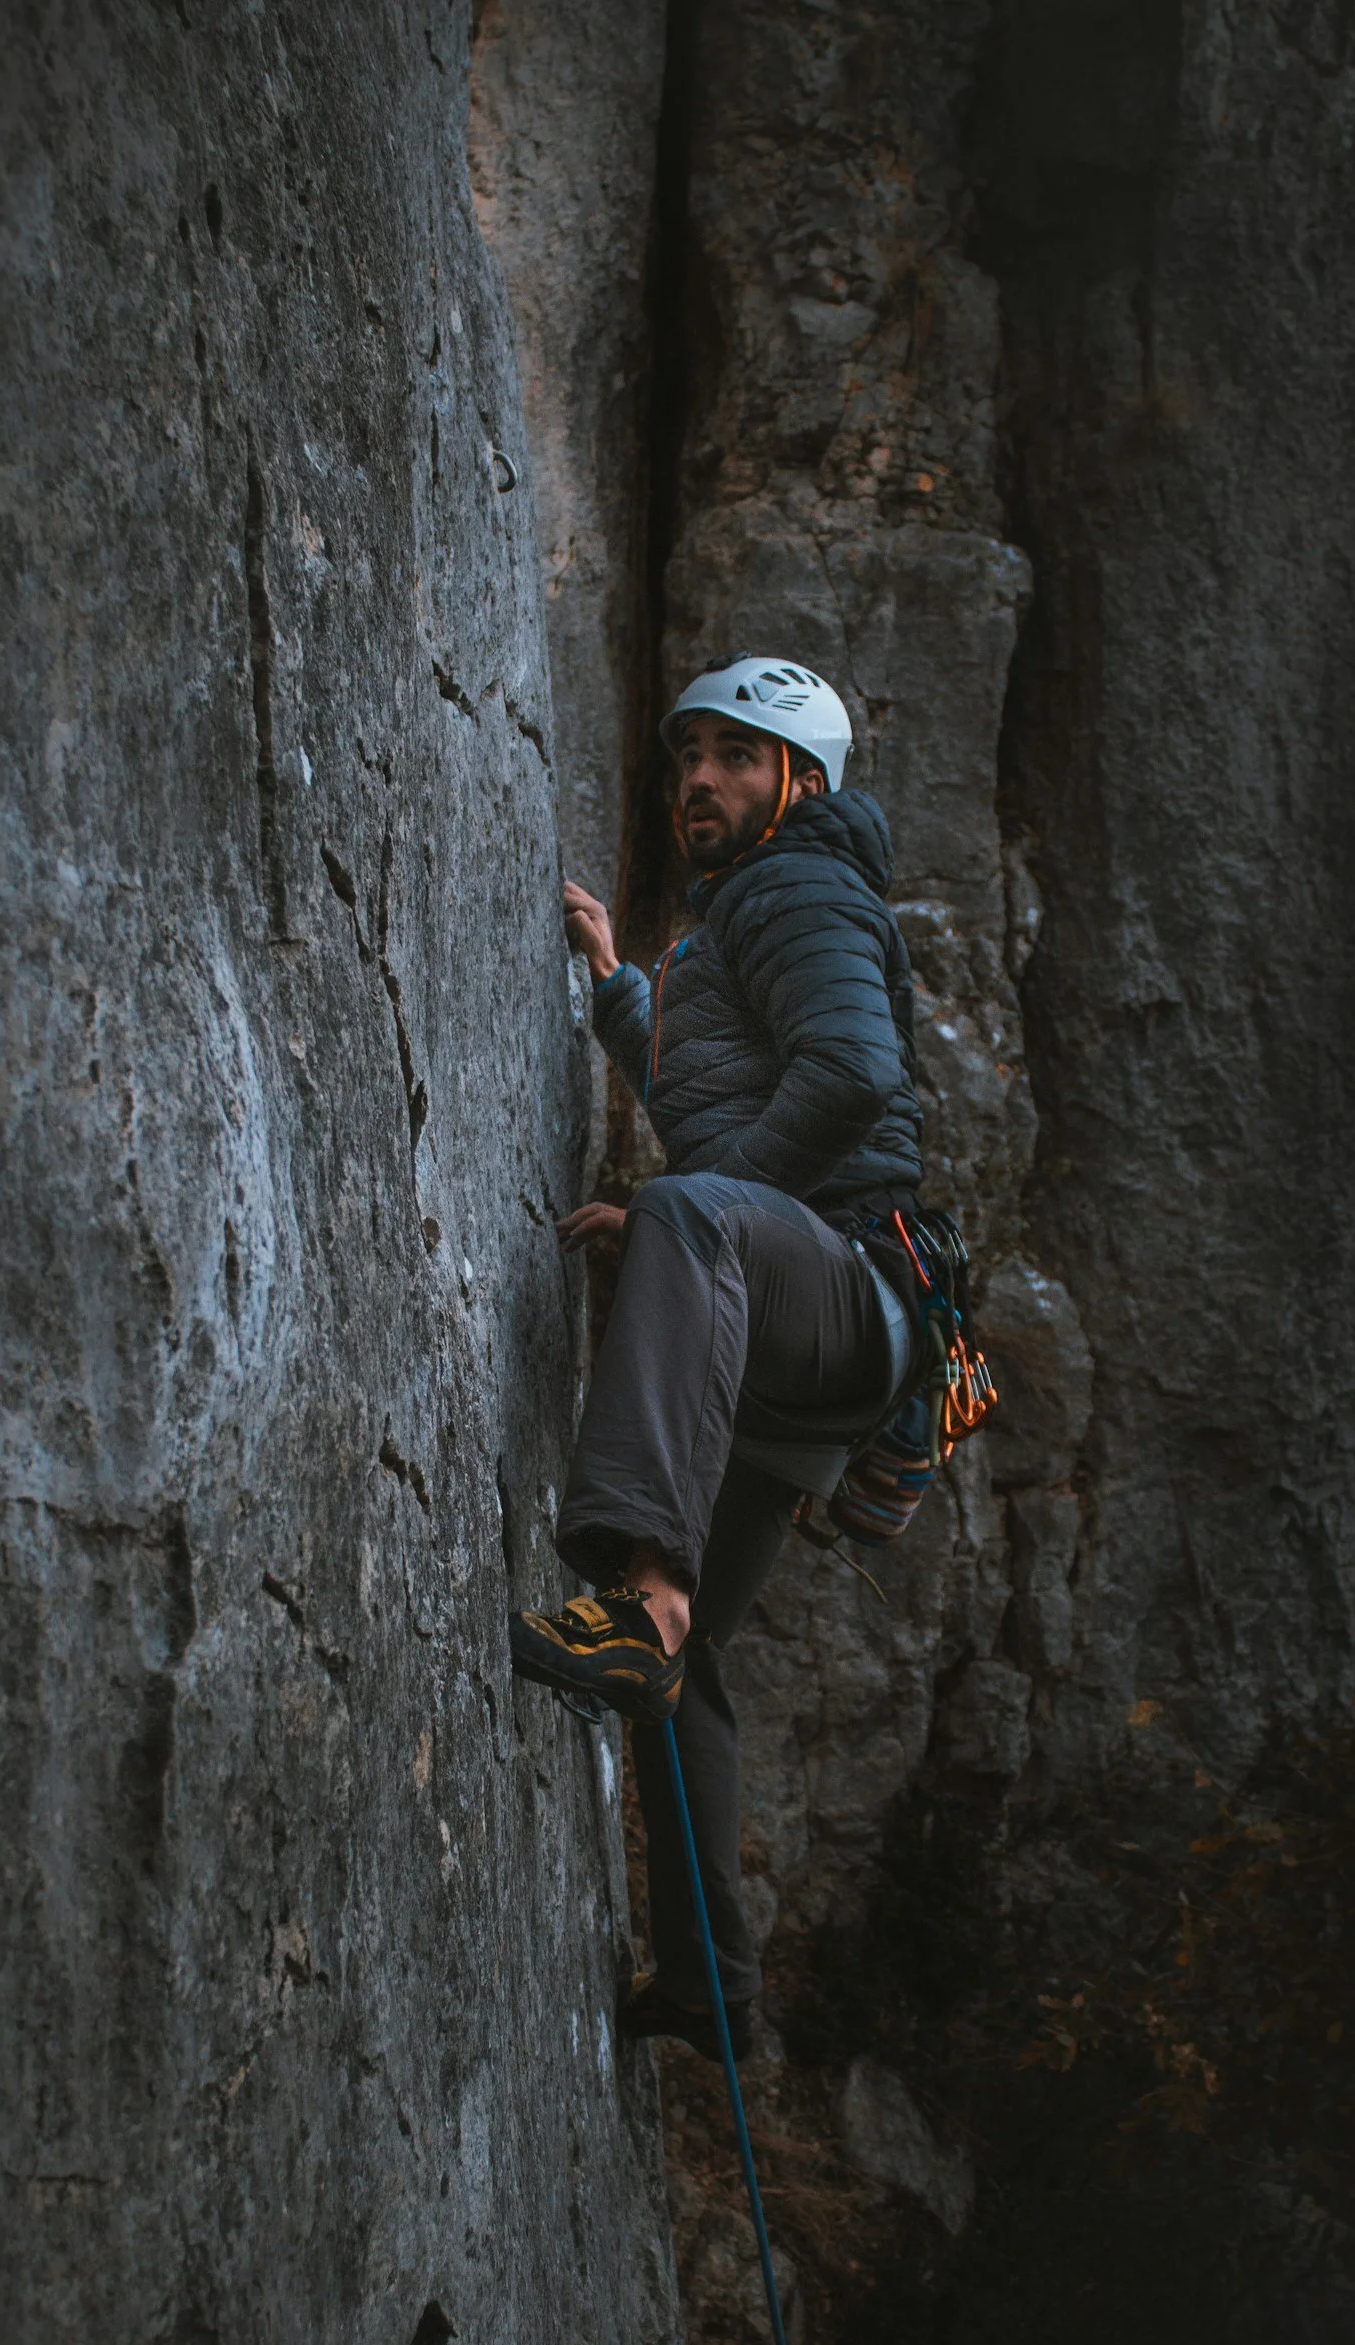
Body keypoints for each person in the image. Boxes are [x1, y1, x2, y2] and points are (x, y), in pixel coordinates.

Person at [508, 655, 925, 2060]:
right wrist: (622, 988)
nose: (699, 777)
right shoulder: (734, 918)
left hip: (838, 1295)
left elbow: (854, 1080)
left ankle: (642, 1590)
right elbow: (721, 1092)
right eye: (688, 754)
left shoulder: (799, 883)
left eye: (736, 757)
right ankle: (711, 1992)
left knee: (685, 1209)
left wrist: (691, 1218)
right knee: (693, 1684)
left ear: (797, 781)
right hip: (772, 1348)